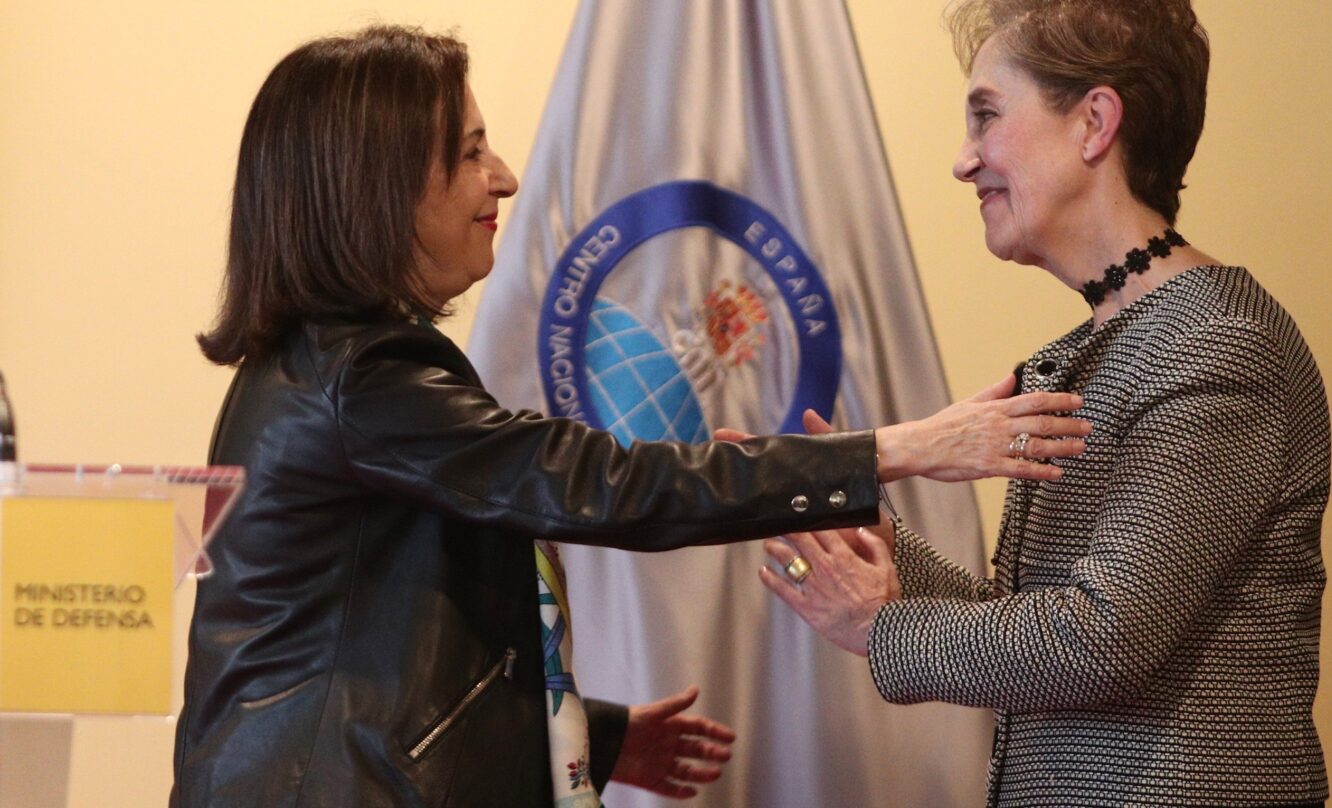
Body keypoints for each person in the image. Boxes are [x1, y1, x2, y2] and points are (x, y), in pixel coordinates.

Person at [171, 25, 1092, 808]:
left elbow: (385, 639)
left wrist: (593, 736)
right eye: (467, 152)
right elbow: (601, 484)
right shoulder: (364, 377)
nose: (505, 178)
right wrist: (898, 449)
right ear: (374, 187)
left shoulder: (324, 367)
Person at [757, 1, 1331, 806]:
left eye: (986, 116)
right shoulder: (1093, 348)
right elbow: (1034, 623)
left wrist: (878, 627)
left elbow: (1103, 638)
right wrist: (890, 552)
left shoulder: (1216, 345)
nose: (964, 161)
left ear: (1094, 123)